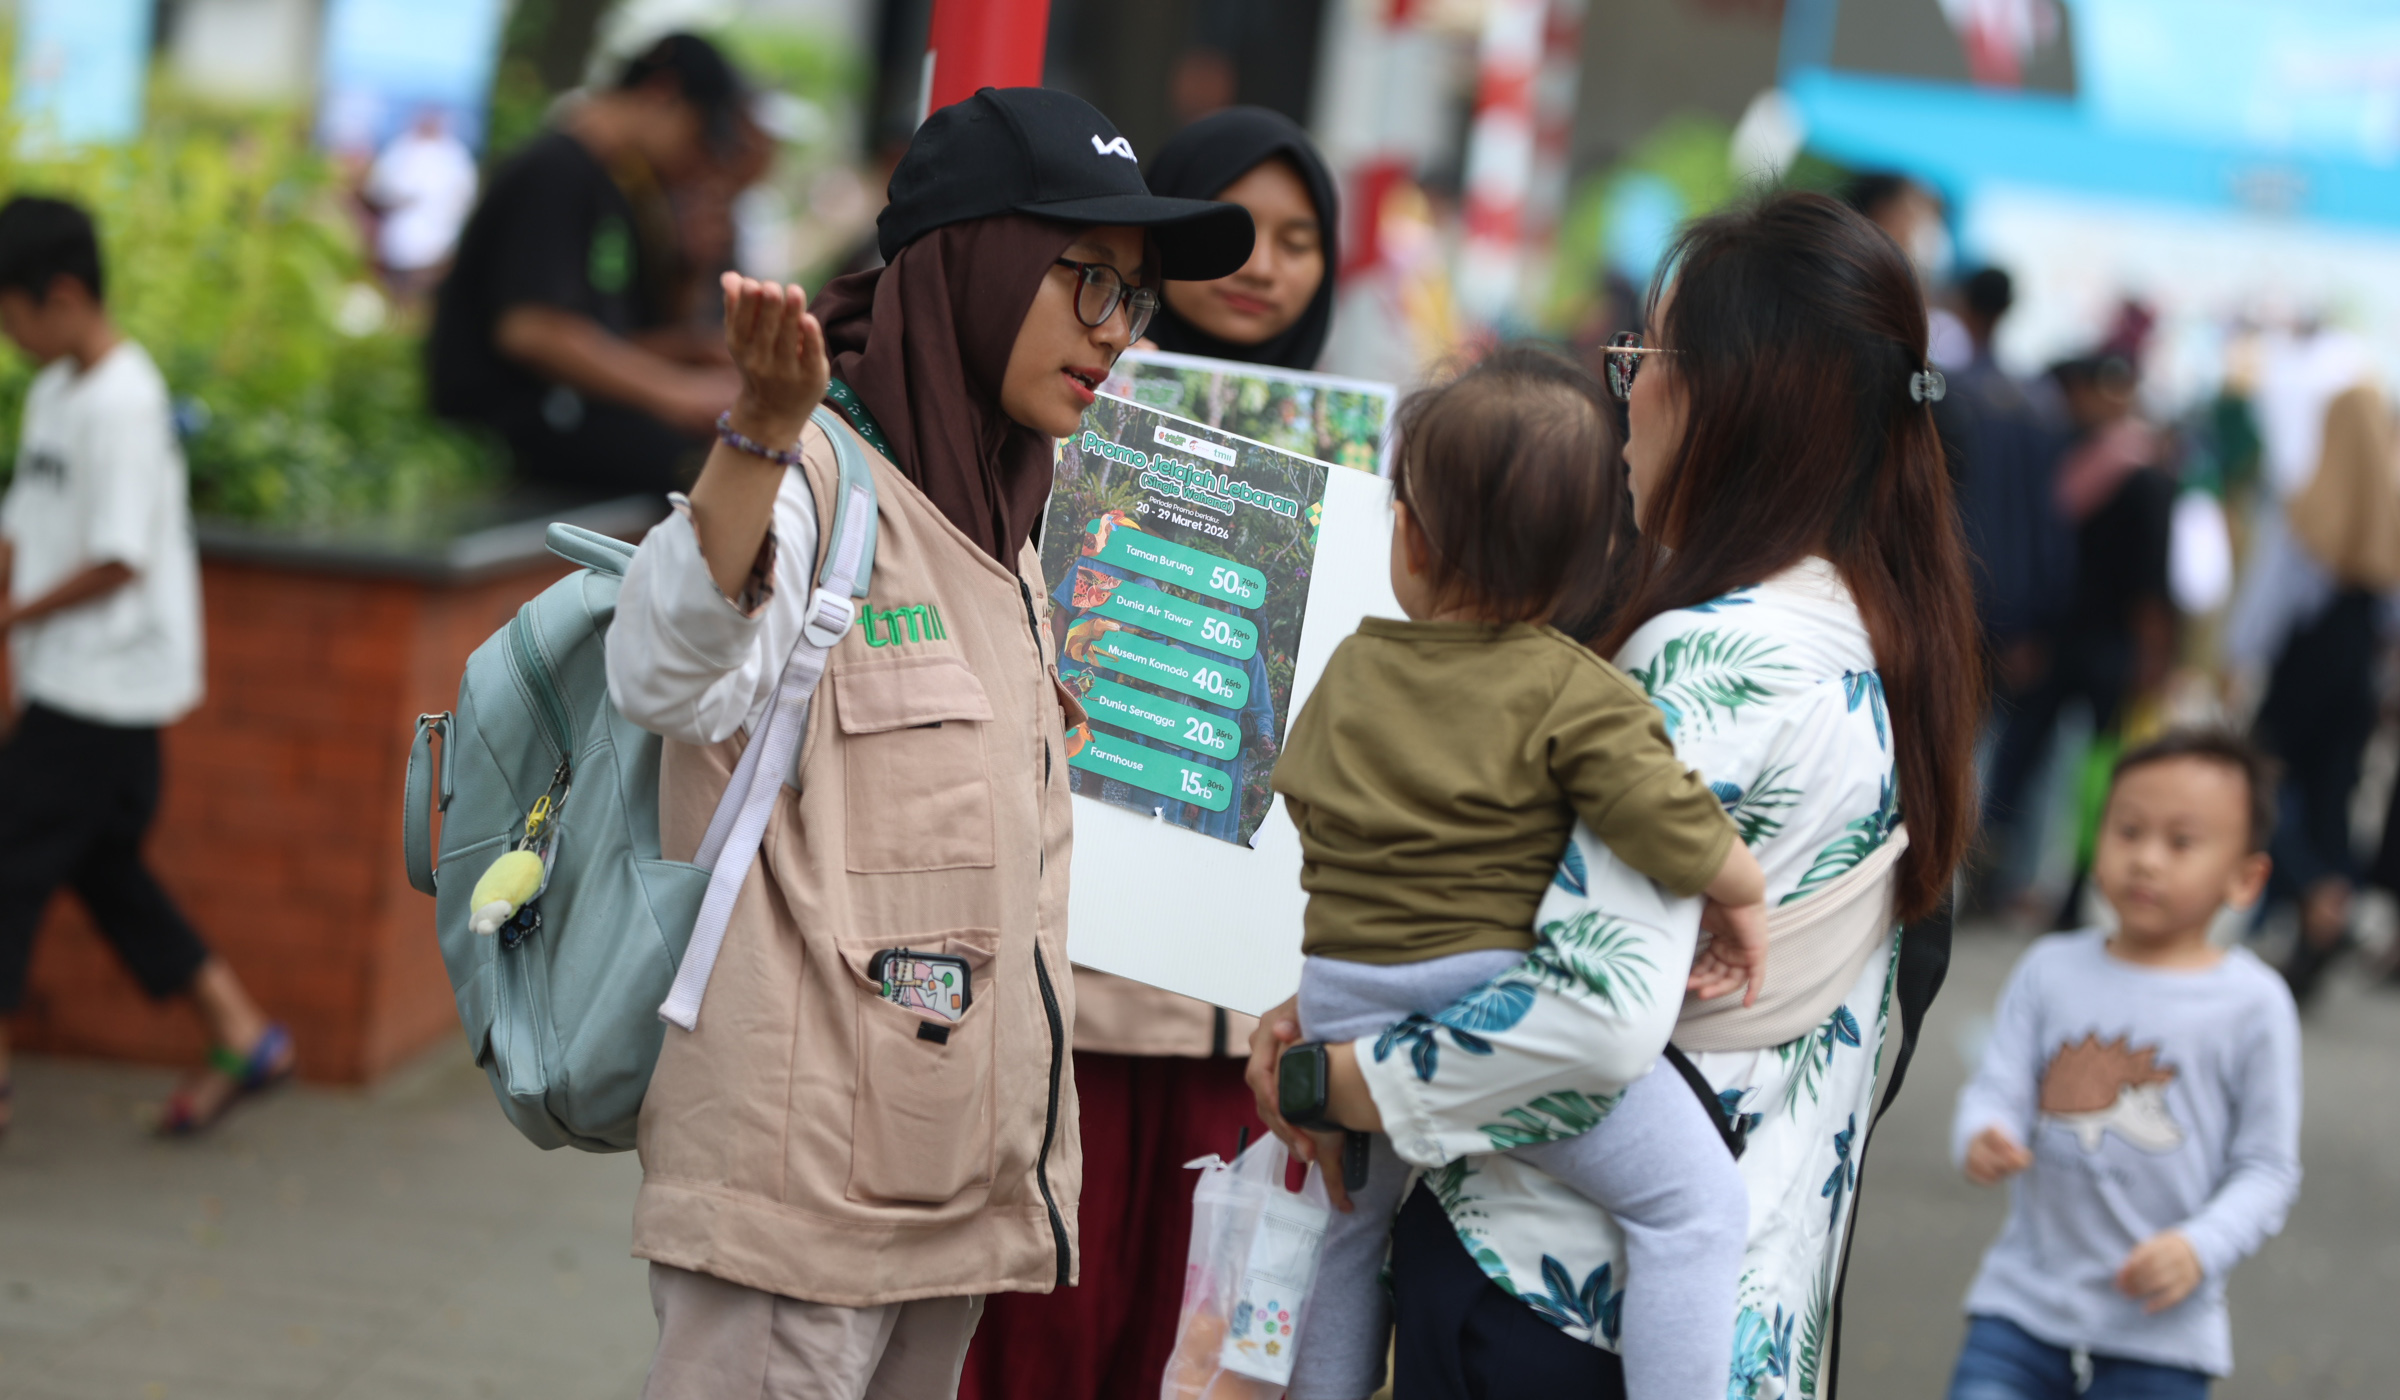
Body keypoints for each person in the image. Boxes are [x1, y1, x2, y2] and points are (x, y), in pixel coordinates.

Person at [1249, 191, 1982, 1395]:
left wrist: (1339, 1076)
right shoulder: (1875, 631)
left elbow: (1593, 1007)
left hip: (1562, 1296)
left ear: (1740, 395)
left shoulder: (1703, 661)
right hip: (1738, 1293)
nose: (1624, 387)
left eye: (1648, 354)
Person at [603, 87, 1250, 1399]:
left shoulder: (1002, 516)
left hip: (950, 1207)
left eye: (1137, 299)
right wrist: (755, 438)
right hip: (800, 1216)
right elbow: (665, 669)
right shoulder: (821, 478)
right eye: (1089, 284)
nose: (1115, 335)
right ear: (983, 257)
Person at [1277, 344, 1767, 1400]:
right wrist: (1742, 885)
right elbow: (1661, 816)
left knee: (1345, 1234)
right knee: (1692, 1205)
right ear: (1594, 550)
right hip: (1477, 1003)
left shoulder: (1352, 669)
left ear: (1410, 531)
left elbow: (1302, 793)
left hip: (1341, 996)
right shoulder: (1575, 690)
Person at [960, 104, 1339, 1400]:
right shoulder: (1052, 406)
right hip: (1070, 977)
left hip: (1252, 1016)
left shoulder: (1377, 467)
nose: (1265, 263)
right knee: (1033, 1330)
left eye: (1299, 238)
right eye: (1234, 228)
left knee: (1194, 1350)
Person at [0, 196, 294, 1138]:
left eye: (11, 309)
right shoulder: (53, 394)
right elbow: (25, 526)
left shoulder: (126, 401)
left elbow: (118, 556)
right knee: (104, 869)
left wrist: (11, 617)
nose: (6, 331)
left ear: (66, 294)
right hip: (68, 677)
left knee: (10, 865)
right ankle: (242, 1034)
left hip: (108, 683)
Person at [1947, 730, 2300, 1399]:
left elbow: (2267, 1169)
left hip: (2161, 1336)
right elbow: (1996, 1088)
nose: (2145, 859)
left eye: (2181, 842)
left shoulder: (2254, 1005)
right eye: (2127, 830)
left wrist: (2201, 1247)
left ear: (2246, 877)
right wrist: (1982, 1132)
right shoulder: (2049, 969)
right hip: (2020, 1309)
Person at [429, 33, 752, 497]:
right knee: (702, 469)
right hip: (518, 423)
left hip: (564, 411)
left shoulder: (613, 186)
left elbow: (600, 333)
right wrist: (677, 391)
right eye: (700, 134)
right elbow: (533, 331)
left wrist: (690, 351)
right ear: (661, 93)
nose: (699, 158)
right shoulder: (556, 171)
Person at [1982, 355, 2175, 925]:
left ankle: (2015, 884)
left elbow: (2143, 578)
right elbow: (2151, 582)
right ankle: (2036, 888)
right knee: (2060, 768)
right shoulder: (2137, 469)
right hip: (2086, 645)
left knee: (2050, 766)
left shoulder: (2075, 461)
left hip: (2075, 641)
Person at [2239, 384, 2400, 1001]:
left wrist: (2238, 659)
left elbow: (2271, 601)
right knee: (2334, 799)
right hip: (2357, 676)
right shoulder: (2387, 510)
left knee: (2263, 780)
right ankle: (2320, 924)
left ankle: (2315, 894)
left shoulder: (2308, 505)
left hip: (2303, 670)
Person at [363, 108, 478, 301]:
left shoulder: (454, 154)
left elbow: (464, 196)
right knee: (401, 291)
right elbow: (378, 188)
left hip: (440, 240)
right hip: (401, 238)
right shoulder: (400, 149)